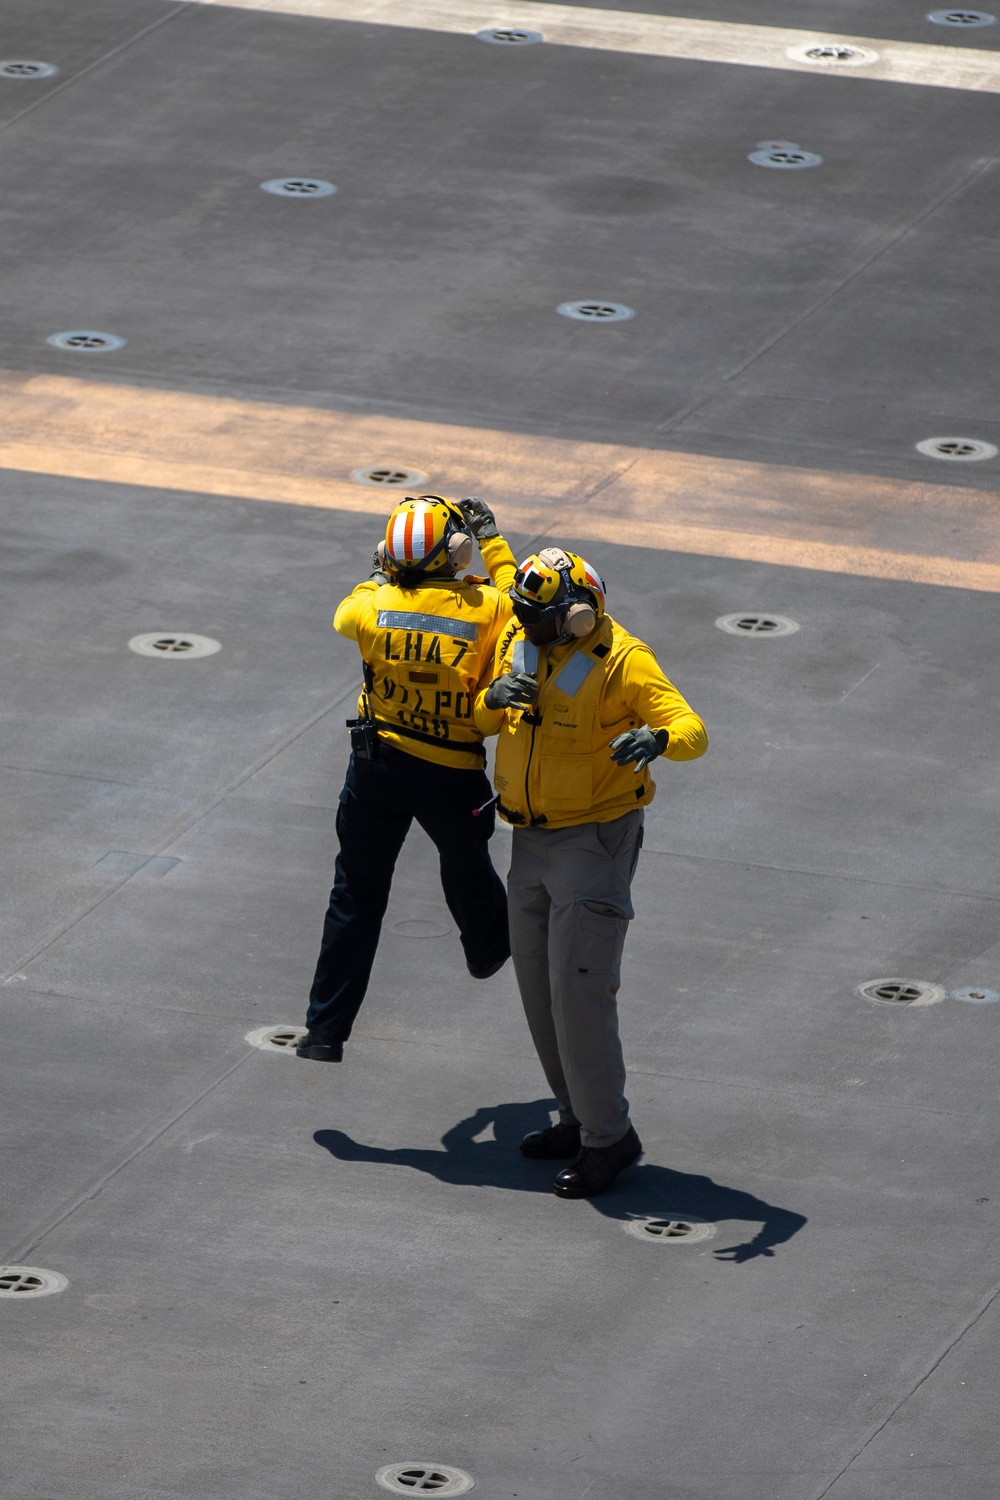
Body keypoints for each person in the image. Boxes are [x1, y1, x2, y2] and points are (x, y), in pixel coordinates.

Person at [474, 547, 708, 1196]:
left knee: (580, 995)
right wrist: (493, 697)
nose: (522, 625)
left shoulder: (623, 661)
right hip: (528, 839)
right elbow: (483, 717)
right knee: (539, 994)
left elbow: (691, 728)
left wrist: (658, 741)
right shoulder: (525, 640)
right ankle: (576, 1119)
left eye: (536, 618)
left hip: (592, 844)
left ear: (576, 618)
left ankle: (609, 1140)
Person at [298, 495, 517, 1063]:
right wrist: (493, 541)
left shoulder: (372, 605)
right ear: (458, 550)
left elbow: (345, 615)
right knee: (466, 861)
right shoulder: (484, 606)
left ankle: (325, 1033)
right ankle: (486, 948)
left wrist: (377, 571)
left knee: (355, 894)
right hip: (451, 771)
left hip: (378, 767)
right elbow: (523, 602)